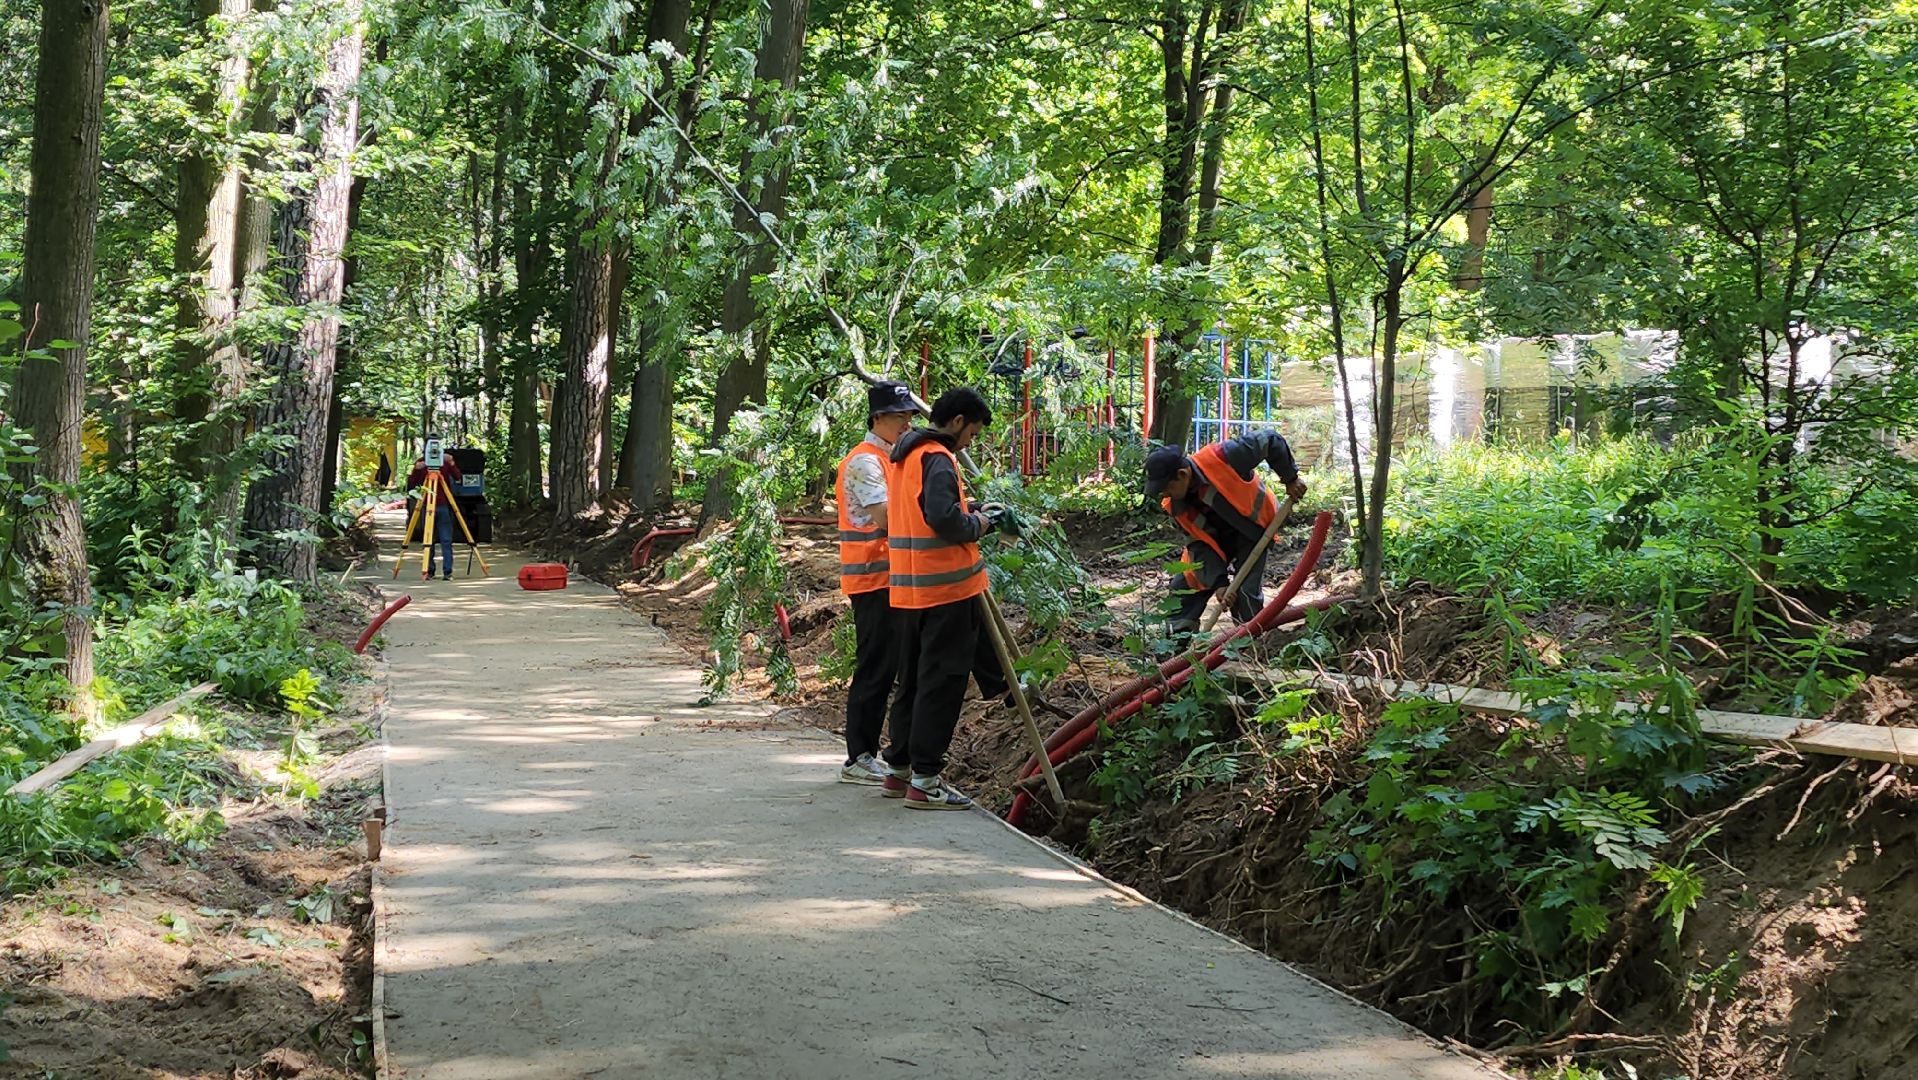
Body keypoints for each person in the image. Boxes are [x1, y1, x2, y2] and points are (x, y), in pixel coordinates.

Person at [879, 386, 1007, 810]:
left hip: (910, 590)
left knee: (912, 680)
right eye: (972, 432)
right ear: (958, 422)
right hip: (946, 591)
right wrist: (981, 523)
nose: (971, 440)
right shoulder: (937, 457)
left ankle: (898, 769)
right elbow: (944, 519)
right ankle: (926, 780)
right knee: (942, 683)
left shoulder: (904, 457)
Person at [835, 381, 924, 785]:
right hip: (873, 579)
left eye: (909, 414)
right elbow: (887, 518)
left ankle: (874, 753)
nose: (907, 421)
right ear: (878, 418)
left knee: (894, 665)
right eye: (900, 414)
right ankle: (859, 756)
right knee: (876, 666)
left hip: (895, 577)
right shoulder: (865, 462)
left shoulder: (892, 459)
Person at [1143, 430, 1307, 635]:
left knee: (1245, 592)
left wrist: (1290, 478)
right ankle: (1176, 645)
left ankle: (1249, 642)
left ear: (1182, 475)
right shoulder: (1176, 506)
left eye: (1165, 488)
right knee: (1185, 584)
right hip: (1214, 541)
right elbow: (1198, 546)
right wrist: (1219, 583)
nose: (1164, 495)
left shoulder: (1225, 456)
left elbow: (1270, 440)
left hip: (1252, 530)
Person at [405, 449, 465, 580]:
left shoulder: (445, 462)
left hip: (443, 506)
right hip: (427, 506)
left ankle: (447, 572)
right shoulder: (422, 463)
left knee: (446, 540)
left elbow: (458, 477)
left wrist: (452, 462)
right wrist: (417, 469)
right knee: (428, 540)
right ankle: (429, 570)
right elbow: (413, 483)